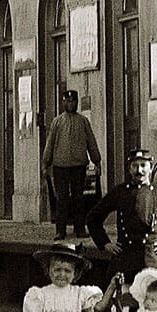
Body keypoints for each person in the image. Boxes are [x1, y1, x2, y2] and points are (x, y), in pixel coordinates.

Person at [86, 147, 157, 280]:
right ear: (129, 169)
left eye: (143, 165)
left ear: (151, 168)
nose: (139, 170)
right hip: (124, 259)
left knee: (156, 290)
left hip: (150, 259)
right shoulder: (120, 192)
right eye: (135, 166)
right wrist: (105, 243)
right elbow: (93, 218)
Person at [41, 90, 101, 240]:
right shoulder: (57, 122)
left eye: (73, 101)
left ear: (76, 102)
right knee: (61, 199)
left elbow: (91, 142)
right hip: (60, 167)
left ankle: (79, 228)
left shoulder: (83, 121)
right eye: (67, 101)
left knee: (78, 198)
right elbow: (50, 143)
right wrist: (45, 163)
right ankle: (60, 230)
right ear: (63, 103)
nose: (70, 103)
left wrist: (97, 161)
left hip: (78, 166)